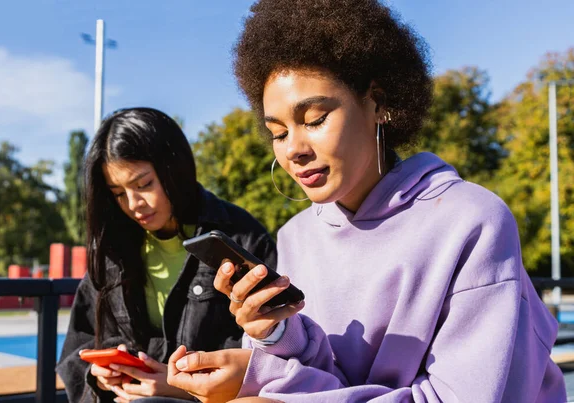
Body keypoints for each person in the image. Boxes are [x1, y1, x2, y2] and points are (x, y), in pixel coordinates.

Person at [165, 1, 567, 402]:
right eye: (278, 132)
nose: (294, 150)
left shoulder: (473, 222)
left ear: (377, 103)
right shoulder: (296, 237)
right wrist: (270, 337)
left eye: (315, 119)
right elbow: (327, 380)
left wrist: (273, 393)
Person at [56, 107, 277, 403]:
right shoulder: (112, 249)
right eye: (118, 193)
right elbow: (78, 346)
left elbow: (266, 354)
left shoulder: (241, 238)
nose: (134, 204)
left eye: (143, 184)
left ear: (174, 168)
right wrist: (101, 375)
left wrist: (180, 386)